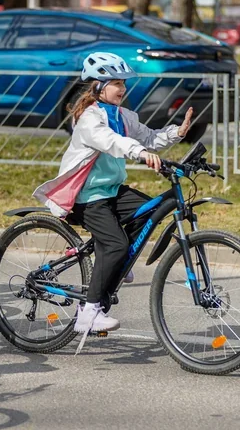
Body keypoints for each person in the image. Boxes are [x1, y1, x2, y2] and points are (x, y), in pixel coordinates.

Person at [33, 52, 193, 334]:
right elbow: (112, 142)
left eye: (123, 83)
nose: (123, 88)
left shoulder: (122, 116)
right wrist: (140, 153)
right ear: (98, 87)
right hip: (87, 196)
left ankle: (115, 264)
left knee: (151, 211)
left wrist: (176, 133)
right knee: (116, 245)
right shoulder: (89, 119)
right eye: (117, 83)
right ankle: (88, 314)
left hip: (111, 191)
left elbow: (148, 137)